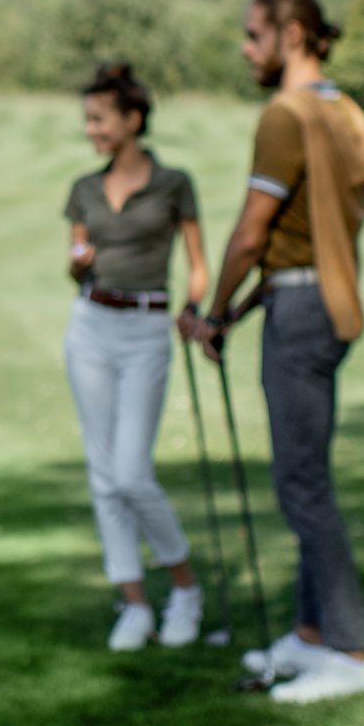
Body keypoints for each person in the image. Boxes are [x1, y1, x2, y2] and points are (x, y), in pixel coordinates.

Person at [181, 0, 364, 705]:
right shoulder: (343, 109)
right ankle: (309, 634)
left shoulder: (285, 113)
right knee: (309, 474)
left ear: (292, 34)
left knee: (303, 485)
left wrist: (212, 311)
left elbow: (251, 231)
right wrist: (234, 313)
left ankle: (354, 650)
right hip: (324, 301)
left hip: (298, 309)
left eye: (253, 35)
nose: (245, 48)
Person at [61, 62, 211, 650]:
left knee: (131, 472)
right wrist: (77, 260)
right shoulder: (84, 189)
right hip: (91, 324)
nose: (92, 129)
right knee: (104, 477)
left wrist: (195, 306)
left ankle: (186, 588)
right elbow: (73, 256)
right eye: (89, 120)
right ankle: (135, 605)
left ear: (133, 119)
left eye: (100, 119)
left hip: (149, 327)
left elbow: (198, 264)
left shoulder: (175, 184)